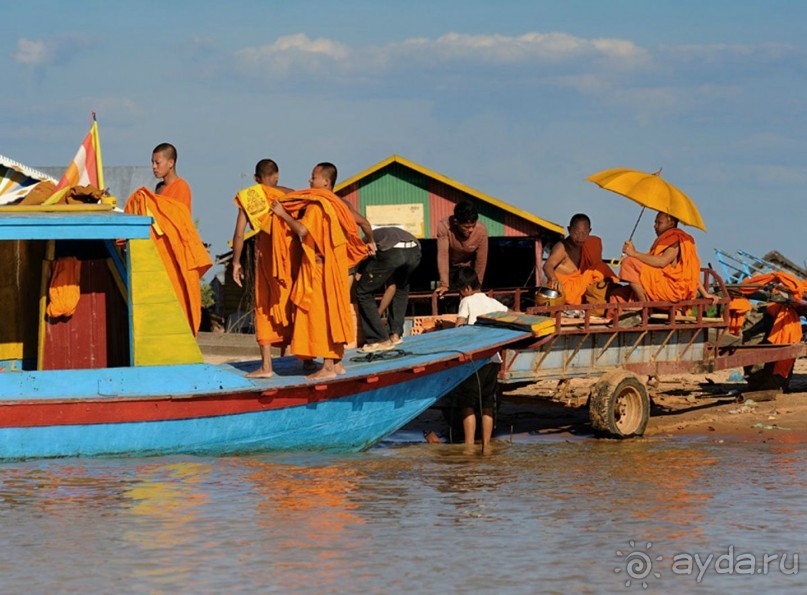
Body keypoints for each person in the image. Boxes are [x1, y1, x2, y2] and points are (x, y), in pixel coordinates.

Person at [270, 163, 369, 379]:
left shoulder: (317, 206)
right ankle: (336, 363)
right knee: (333, 312)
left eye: (313, 177)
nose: (309, 181)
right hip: (334, 267)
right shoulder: (337, 204)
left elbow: (303, 230)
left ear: (325, 181)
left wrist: (282, 215)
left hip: (320, 270)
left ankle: (326, 368)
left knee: (321, 316)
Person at [231, 159, 295, 378]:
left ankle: (267, 366)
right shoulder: (290, 195)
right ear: (276, 176)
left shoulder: (250, 197)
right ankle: (301, 360)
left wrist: (236, 262)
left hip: (266, 258)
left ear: (256, 179)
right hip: (287, 259)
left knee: (264, 308)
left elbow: (239, 234)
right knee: (290, 304)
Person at [449, 266, 507, 454]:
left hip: (475, 360)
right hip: (494, 359)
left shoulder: (466, 301)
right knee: (487, 403)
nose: (459, 293)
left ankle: (468, 446)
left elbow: (459, 327)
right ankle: (487, 445)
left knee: (468, 403)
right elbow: (512, 315)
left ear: (465, 287)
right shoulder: (493, 302)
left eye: (459, 289)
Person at [619, 211, 715, 303]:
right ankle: (608, 318)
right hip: (658, 281)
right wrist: (633, 252)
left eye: (659, 223)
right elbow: (690, 273)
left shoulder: (676, 240)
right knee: (617, 294)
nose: (655, 226)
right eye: (655, 222)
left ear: (671, 223)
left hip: (670, 288)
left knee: (628, 262)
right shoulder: (664, 239)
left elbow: (662, 262)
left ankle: (643, 304)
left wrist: (635, 254)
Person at [355, 227, 422, 353]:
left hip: (393, 252)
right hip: (414, 250)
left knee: (363, 292)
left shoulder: (363, 246)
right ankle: (395, 335)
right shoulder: (381, 239)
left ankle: (378, 340)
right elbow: (392, 287)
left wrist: (377, 313)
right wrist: (378, 312)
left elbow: (357, 274)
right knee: (401, 288)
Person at [543, 213, 616, 305]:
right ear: (569, 230)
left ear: (590, 231)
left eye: (584, 233)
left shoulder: (591, 244)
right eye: (576, 233)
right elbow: (547, 265)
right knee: (599, 268)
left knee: (598, 270)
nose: (580, 238)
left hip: (582, 289)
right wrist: (553, 279)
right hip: (566, 293)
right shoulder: (562, 248)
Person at [435, 200, 488, 297]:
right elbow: (443, 255)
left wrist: (477, 286)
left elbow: (481, 260)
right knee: (449, 298)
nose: (470, 230)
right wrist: (444, 284)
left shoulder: (481, 231)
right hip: (451, 266)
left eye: (473, 226)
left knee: (471, 296)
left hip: (469, 268)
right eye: (466, 227)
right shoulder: (444, 226)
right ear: (456, 222)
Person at [151, 143, 192, 212]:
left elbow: (178, 216)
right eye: (153, 162)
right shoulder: (159, 187)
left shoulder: (181, 186)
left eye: (157, 163)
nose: (154, 166)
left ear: (171, 163)